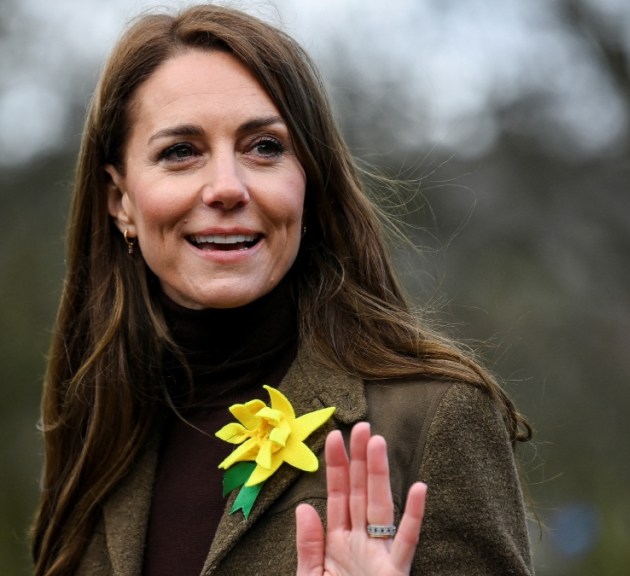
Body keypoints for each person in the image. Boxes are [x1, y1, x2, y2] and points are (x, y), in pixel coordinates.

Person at [30, 5, 533, 576]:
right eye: (180, 152)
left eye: (264, 147)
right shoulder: (98, 433)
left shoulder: (434, 417)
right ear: (120, 199)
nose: (226, 187)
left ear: (310, 182)